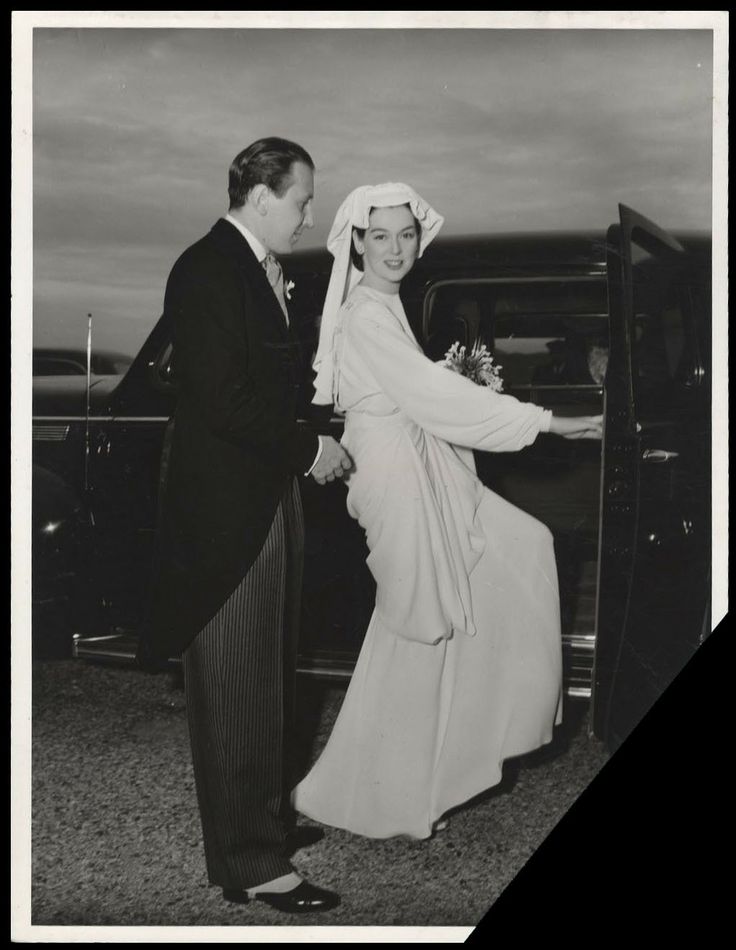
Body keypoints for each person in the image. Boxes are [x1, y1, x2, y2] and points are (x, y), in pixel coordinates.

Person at [291, 183, 602, 839]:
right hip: (393, 473)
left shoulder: (386, 304)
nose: (396, 249)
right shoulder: (364, 314)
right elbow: (429, 392)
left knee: (517, 547)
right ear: (357, 242)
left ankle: (445, 761)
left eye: (406, 235)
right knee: (416, 624)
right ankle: (380, 796)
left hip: (419, 461)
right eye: (381, 236)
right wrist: (550, 421)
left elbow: (425, 394)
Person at [136, 138, 350, 913]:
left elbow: (264, 387)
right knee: (235, 682)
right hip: (228, 509)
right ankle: (250, 864)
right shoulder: (207, 269)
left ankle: (261, 825)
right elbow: (224, 401)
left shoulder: (255, 269)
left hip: (265, 493)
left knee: (267, 673)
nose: (310, 216)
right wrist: (310, 449)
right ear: (261, 197)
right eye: (302, 200)